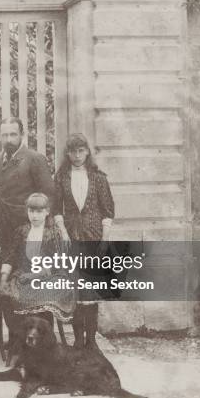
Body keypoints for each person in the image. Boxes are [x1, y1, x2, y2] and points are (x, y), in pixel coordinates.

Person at [0, 117, 56, 335]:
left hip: (28, 232)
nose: (8, 139)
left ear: (22, 135)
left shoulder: (34, 159)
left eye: (13, 134)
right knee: (7, 286)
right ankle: (16, 336)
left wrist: (43, 228)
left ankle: (39, 337)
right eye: (4, 134)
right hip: (3, 232)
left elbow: (49, 195)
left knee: (33, 287)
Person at [53, 133, 115, 350]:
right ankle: (78, 339)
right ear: (67, 153)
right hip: (71, 237)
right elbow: (55, 207)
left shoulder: (98, 177)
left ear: (87, 151)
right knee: (75, 289)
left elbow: (108, 211)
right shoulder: (61, 177)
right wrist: (62, 231)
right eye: (72, 151)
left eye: (81, 151)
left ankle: (92, 340)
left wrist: (104, 240)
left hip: (94, 237)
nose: (77, 156)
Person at [0, 193, 76, 323]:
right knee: (9, 295)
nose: (34, 216)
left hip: (49, 276)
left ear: (47, 212)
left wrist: (35, 275)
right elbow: (10, 256)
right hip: (24, 275)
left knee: (44, 293)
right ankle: (18, 337)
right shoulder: (21, 231)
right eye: (31, 211)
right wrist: (3, 279)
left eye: (39, 212)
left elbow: (56, 263)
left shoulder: (54, 233)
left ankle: (43, 338)